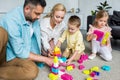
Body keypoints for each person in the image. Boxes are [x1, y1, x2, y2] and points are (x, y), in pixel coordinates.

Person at [0, 0, 53, 80]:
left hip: (12, 56)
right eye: (37, 13)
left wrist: (44, 52)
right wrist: (45, 59)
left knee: (32, 70)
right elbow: (19, 51)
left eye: (40, 14)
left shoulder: (33, 20)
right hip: (4, 53)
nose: (39, 17)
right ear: (27, 8)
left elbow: (33, 43)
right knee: (1, 32)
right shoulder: (11, 19)